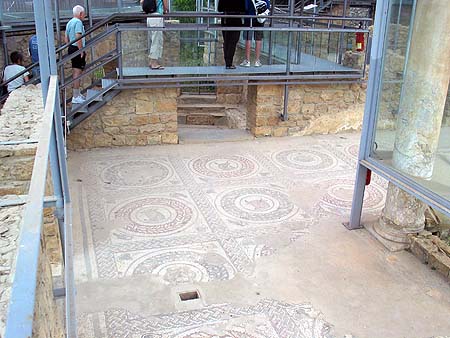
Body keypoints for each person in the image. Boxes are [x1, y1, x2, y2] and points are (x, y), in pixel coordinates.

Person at [65, 5, 87, 104]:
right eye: (84, 13)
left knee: (76, 71)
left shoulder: (69, 22)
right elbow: (78, 36)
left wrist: (69, 47)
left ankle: (77, 94)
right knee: (77, 72)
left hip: (71, 48)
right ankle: (76, 96)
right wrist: (81, 50)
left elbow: (66, 38)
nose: (84, 15)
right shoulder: (78, 22)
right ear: (80, 13)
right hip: (77, 48)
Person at [240, 0, 271, 67]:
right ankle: (257, 61)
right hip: (260, 19)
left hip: (249, 18)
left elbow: (245, 7)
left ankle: (247, 60)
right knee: (258, 39)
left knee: (248, 39)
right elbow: (268, 6)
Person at [141, 0, 169, 70]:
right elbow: (165, 5)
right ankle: (154, 63)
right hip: (157, 16)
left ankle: (151, 62)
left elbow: (141, 2)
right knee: (156, 40)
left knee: (152, 40)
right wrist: (166, 10)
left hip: (149, 17)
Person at [218, 0, 246, 69]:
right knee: (233, 42)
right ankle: (229, 63)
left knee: (227, 41)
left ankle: (227, 62)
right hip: (236, 20)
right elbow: (243, 9)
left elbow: (219, 9)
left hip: (225, 19)